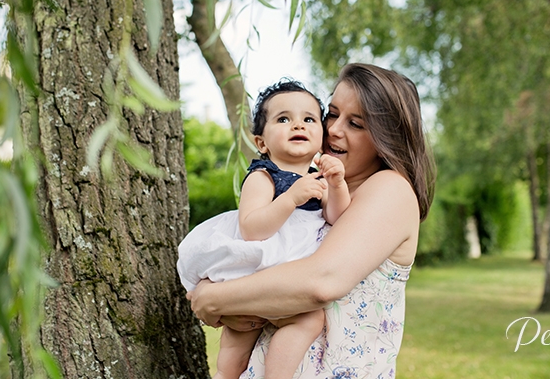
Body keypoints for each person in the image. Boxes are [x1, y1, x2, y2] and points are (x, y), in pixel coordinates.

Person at [187, 63, 436, 378]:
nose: (333, 129)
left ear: (386, 138)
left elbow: (320, 280)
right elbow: (266, 259)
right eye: (332, 114)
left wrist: (213, 297)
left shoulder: (390, 189)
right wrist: (234, 302)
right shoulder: (313, 188)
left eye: (356, 123)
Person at [177, 79, 352, 379]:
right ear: (261, 143)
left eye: (309, 119)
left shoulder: (319, 177)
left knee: (310, 320)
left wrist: (337, 185)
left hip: (287, 280)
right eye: (284, 119)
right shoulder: (263, 177)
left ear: (321, 135)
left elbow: (338, 218)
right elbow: (251, 228)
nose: (298, 125)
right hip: (255, 271)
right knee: (235, 348)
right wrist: (291, 198)